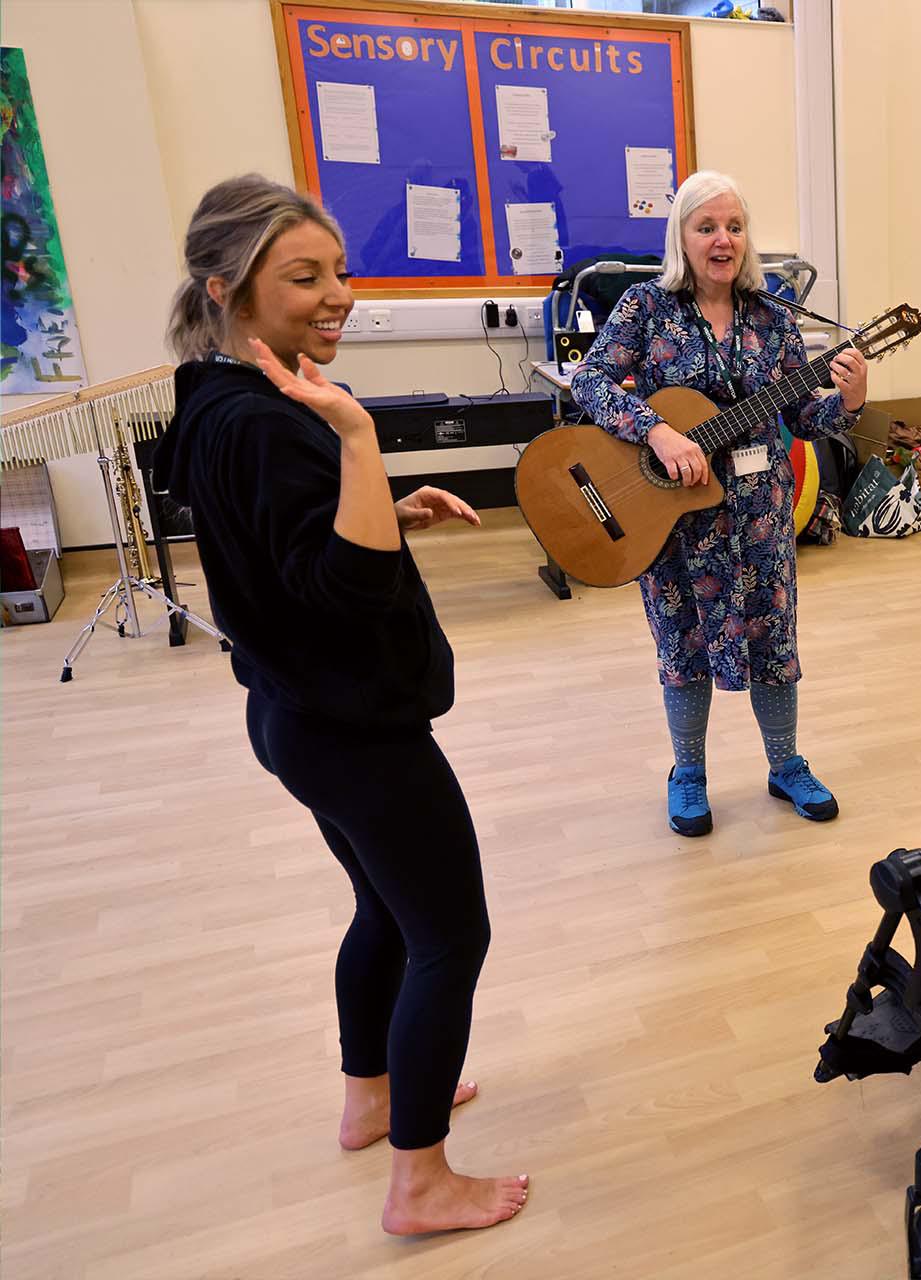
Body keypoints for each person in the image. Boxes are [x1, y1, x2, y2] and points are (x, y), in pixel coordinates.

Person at [152, 176, 528, 1233]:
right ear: (229, 287)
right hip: (353, 727)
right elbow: (345, 590)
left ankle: (372, 1099)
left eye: (340, 271)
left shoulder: (220, 394)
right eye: (303, 277)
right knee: (452, 935)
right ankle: (422, 1178)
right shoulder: (276, 420)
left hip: (294, 714)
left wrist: (378, 501)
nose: (336, 296)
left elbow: (287, 548)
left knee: (388, 910)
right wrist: (361, 445)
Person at [570, 171, 866, 837]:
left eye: (733, 227)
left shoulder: (774, 318)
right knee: (684, 647)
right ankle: (688, 774)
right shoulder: (647, 309)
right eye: (707, 227)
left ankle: (786, 764)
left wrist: (846, 402)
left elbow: (802, 417)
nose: (722, 239)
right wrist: (657, 429)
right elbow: (587, 379)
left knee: (775, 638)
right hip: (672, 523)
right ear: (683, 237)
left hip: (760, 517)